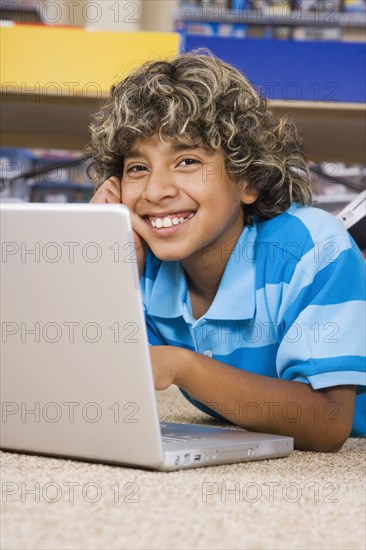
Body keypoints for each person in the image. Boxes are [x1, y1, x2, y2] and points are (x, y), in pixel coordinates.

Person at [87, 50, 365, 451]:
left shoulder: (312, 250)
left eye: (187, 161)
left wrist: (183, 366)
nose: (155, 190)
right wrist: (107, 267)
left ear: (247, 181)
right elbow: (94, 388)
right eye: (137, 168)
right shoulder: (142, 264)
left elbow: (328, 424)